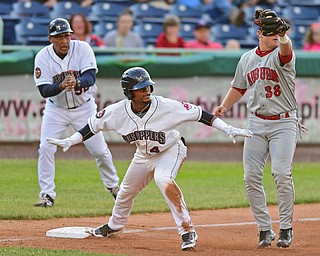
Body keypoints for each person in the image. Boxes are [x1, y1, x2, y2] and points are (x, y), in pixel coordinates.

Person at [46, 67, 253, 251]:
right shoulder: (117, 112)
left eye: (148, 87)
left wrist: (228, 129)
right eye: (141, 88)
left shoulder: (166, 106)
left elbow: (201, 114)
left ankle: (187, 230)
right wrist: (70, 141)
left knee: (163, 180)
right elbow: (92, 126)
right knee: (126, 191)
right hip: (143, 155)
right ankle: (114, 225)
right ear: (129, 92)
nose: (147, 91)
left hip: (171, 150)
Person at [214, 9, 302, 248]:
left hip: (284, 122)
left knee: (282, 174)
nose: (275, 36)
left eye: (278, 32)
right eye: (271, 32)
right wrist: (224, 105)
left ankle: (286, 228)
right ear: (260, 33)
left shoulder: (283, 53)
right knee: (251, 176)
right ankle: (264, 229)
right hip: (256, 122)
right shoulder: (246, 59)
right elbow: (239, 87)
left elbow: (286, 51)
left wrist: (283, 36)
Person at [33, 18, 120, 207]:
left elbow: (90, 76)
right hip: (56, 109)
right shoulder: (42, 57)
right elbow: (44, 91)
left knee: (100, 150)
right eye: (59, 37)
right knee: (46, 147)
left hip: (85, 108)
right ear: (51, 39)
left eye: (67, 36)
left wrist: (77, 82)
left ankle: (114, 187)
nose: (64, 41)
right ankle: (47, 195)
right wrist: (61, 85)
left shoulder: (83, 49)